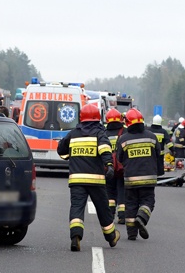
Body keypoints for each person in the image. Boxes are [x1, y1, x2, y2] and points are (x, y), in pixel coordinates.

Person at [57, 103, 121, 252]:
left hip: (77, 179)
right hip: (96, 180)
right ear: (97, 118)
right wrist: (109, 165)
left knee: (77, 208)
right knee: (103, 209)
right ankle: (111, 237)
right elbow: (105, 149)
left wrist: (70, 156)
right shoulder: (99, 133)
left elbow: (61, 149)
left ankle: (76, 237)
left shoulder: (73, 134)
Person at [116, 108, 163, 241]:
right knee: (148, 201)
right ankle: (141, 217)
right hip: (148, 178)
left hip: (130, 179)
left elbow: (119, 158)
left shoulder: (123, 139)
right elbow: (158, 154)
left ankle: (131, 234)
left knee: (130, 204)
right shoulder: (152, 137)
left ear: (128, 123)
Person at [104, 108, 127, 224]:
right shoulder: (124, 132)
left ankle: (111, 214)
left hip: (108, 167)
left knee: (110, 191)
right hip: (122, 167)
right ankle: (122, 215)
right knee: (122, 190)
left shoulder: (104, 133)